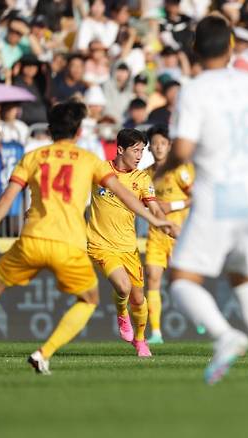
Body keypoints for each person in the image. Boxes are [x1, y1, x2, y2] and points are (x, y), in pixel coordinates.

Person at [159, 15, 248, 384]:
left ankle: (225, 335)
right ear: (232, 46)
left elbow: (184, 148)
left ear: (194, 49)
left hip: (216, 195)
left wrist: (162, 169)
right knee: (246, 279)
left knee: (183, 279)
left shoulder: (194, 89)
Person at [0, 101, 171, 374]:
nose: (139, 155)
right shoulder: (90, 162)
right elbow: (125, 196)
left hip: (38, 239)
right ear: (77, 133)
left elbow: (10, 196)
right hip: (79, 244)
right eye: (136, 150)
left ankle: (140, 336)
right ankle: (47, 351)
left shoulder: (34, 157)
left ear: (50, 130)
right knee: (97, 297)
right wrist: (156, 220)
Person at [86, 128, 168, 357]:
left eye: (143, 150)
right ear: (120, 149)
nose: (140, 155)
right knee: (123, 286)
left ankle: (141, 341)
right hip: (100, 244)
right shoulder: (100, 170)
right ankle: (122, 312)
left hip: (128, 248)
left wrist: (165, 224)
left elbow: (153, 207)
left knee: (139, 298)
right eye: (136, 150)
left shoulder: (142, 178)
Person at [144, 124, 194, 345]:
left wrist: (171, 205)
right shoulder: (147, 175)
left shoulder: (180, 170)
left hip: (179, 234)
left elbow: (197, 196)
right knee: (153, 278)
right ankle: (156, 333)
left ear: (170, 146)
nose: (159, 148)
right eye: (155, 144)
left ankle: (197, 316)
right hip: (156, 235)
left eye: (162, 143)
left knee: (182, 283)